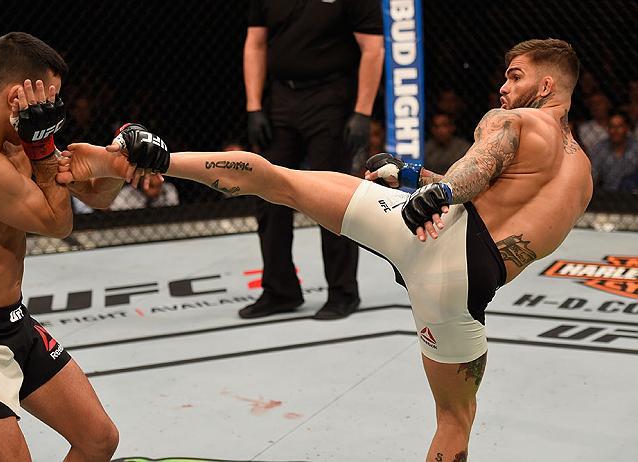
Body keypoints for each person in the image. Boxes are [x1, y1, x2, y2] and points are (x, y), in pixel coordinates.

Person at [61, 38, 593, 460]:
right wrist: (416, 178)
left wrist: (440, 191)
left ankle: (150, 158)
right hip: (471, 284)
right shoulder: (583, 176)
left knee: (279, 181)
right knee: (455, 421)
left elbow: (477, 169)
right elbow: (494, 198)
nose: (503, 86)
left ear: (547, 84)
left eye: (515, 75)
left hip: (439, 232)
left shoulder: (516, 121)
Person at [0, 32, 124, 461]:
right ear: (16, 96)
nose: (53, 111)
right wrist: (42, 149)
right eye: (49, 98)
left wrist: (124, 157)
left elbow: (96, 194)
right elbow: (57, 222)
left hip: (13, 320)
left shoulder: (15, 143)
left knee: (99, 440)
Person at [241, 0, 384, 320]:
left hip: (330, 98)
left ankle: (343, 291)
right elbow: (256, 43)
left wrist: (362, 111)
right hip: (280, 98)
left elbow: (372, 48)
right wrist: (254, 106)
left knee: (332, 196)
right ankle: (280, 291)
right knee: (267, 193)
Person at [589, 111, 638, 191]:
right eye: (612, 126)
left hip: (632, 195)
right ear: (608, 129)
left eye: (619, 126)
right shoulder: (600, 148)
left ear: (627, 128)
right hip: (606, 194)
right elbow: (592, 175)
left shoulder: (636, 148)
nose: (615, 131)